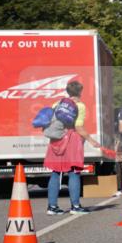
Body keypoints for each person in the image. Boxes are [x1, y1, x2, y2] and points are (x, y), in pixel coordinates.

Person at [45, 80, 102, 215]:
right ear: (80, 92)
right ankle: (75, 206)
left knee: (55, 172)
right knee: (74, 172)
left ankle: (52, 207)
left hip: (56, 140)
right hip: (71, 139)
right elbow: (78, 127)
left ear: (67, 91)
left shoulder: (57, 103)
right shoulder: (80, 106)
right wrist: (91, 140)